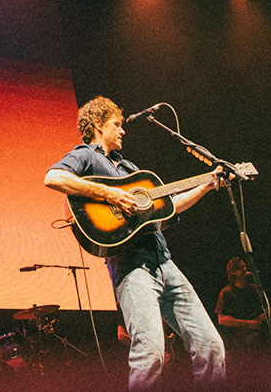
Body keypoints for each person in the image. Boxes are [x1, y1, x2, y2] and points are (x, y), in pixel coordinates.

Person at [44, 96, 226, 390]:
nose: (123, 130)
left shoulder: (129, 167)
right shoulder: (86, 156)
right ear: (97, 126)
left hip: (165, 262)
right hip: (132, 268)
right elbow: (53, 177)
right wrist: (109, 195)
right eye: (116, 124)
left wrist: (207, 184)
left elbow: (170, 206)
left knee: (211, 345)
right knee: (151, 353)